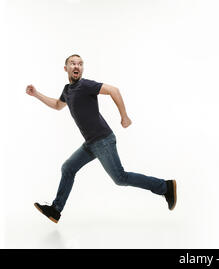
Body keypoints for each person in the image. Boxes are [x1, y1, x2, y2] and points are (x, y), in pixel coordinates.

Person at [26, 54, 177, 223]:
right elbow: (57, 105)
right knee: (68, 168)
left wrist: (124, 116)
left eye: (80, 64)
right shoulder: (67, 90)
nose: (77, 66)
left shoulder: (85, 85)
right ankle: (55, 210)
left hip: (103, 140)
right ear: (65, 68)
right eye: (72, 63)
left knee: (120, 178)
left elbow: (114, 90)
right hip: (91, 143)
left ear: (82, 68)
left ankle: (165, 187)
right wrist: (36, 94)